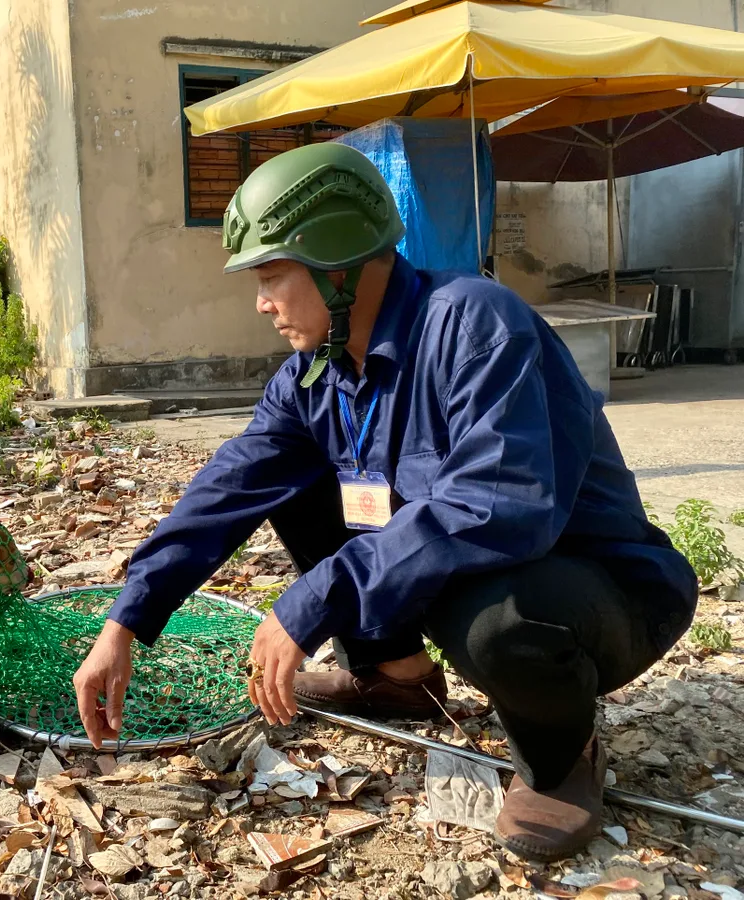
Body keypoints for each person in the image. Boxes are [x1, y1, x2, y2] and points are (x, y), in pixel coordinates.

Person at [72, 142, 697, 862]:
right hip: (491, 566)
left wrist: (313, 598)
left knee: (495, 616)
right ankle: (398, 679)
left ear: (336, 263)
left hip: (593, 591)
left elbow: (501, 509)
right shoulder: (318, 371)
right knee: (301, 486)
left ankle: (562, 755)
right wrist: (128, 618)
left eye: (274, 275)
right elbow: (230, 486)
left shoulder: (475, 324)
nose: (262, 303)